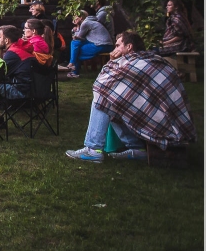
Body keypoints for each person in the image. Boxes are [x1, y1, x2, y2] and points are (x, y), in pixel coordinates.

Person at [66, 31, 196, 163]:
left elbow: (101, 84)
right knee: (113, 102)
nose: (114, 49)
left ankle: (93, 149)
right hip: (169, 120)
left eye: (117, 46)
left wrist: (111, 61)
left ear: (129, 47)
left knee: (104, 97)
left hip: (164, 127)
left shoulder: (135, 64)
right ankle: (137, 149)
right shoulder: (152, 59)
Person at [68, 10, 113, 79]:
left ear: (81, 17)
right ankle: (73, 67)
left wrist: (75, 31)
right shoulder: (90, 21)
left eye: (76, 17)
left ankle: (73, 69)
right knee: (76, 46)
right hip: (106, 44)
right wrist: (75, 29)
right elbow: (81, 38)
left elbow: (78, 37)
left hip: (101, 45)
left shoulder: (85, 23)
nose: (74, 18)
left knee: (76, 48)